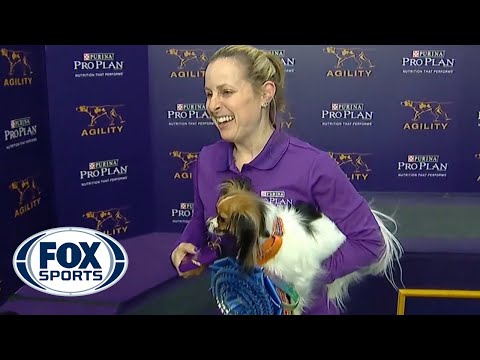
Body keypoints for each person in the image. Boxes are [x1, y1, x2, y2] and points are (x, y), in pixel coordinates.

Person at [170, 45, 390, 315]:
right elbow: (200, 220)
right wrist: (187, 245)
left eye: (226, 92)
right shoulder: (207, 160)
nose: (213, 105)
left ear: (265, 93)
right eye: (208, 94)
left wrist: (304, 274)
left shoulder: (313, 166)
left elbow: (370, 243)